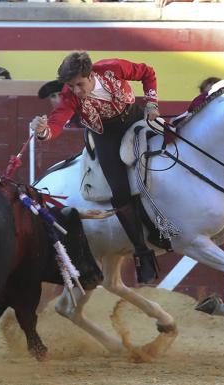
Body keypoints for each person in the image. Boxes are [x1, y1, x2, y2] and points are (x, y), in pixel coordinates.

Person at [29, 51, 160, 284]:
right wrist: (43, 131)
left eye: (79, 84)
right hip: (105, 135)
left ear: (90, 75)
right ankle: (142, 253)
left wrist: (151, 102)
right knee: (119, 192)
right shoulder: (70, 95)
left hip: (134, 118)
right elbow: (57, 122)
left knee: (171, 149)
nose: (76, 90)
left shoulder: (113, 68)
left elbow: (147, 72)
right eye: (71, 85)